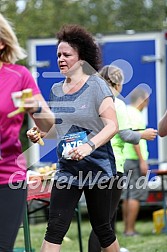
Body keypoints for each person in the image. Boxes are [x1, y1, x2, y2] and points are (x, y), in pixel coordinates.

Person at [27, 24, 122, 252]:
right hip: (67, 170)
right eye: (58, 54)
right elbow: (58, 130)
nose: (61, 59)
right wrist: (39, 132)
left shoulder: (97, 85)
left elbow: (112, 126)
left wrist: (89, 146)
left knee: (102, 228)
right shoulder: (56, 90)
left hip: (98, 168)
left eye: (66, 55)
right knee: (55, 228)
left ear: (81, 58)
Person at [88, 65, 157, 252]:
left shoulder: (92, 101)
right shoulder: (116, 104)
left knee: (101, 219)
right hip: (112, 165)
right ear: (118, 83)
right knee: (104, 223)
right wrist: (144, 135)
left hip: (92, 165)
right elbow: (126, 135)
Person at [0, 13, 54, 251]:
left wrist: (37, 107)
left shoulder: (18, 76)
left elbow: (48, 125)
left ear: (2, 42)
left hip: (7, 177)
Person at [121, 87, 157, 236]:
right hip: (135, 159)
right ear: (142, 99)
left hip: (124, 159)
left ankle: (125, 229)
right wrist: (142, 161)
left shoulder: (125, 111)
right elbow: (135, 138)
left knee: (126, 195)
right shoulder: (136, 115)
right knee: (135, 195)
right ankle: (130, 230)